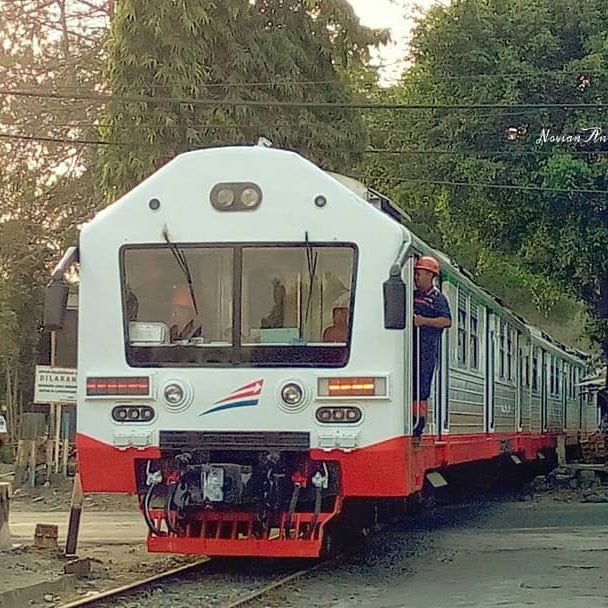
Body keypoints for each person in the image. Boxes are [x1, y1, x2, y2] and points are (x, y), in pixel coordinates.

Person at [412, 256, 452, 439]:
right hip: (411, 347)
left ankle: (419, 422)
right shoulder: (413, 296)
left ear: (430, 275)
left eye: (419, 274)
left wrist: (424, 321)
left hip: (427, 349)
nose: (416, 277)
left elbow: (446, 321)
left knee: (422, 385)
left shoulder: (438, 298)